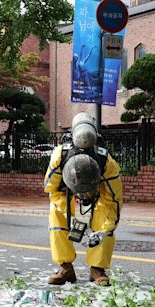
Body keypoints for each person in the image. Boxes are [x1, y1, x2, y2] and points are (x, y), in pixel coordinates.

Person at [43, 112, 123, 286]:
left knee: (105, 217)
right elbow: (51, 189)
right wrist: (68, 213)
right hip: (66, 194)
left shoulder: (107, 163)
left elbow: (114, 201)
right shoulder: (59, 156)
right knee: (56, 217)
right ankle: (65, 268)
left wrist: (104, 230)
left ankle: (97, 269)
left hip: (98, 194)